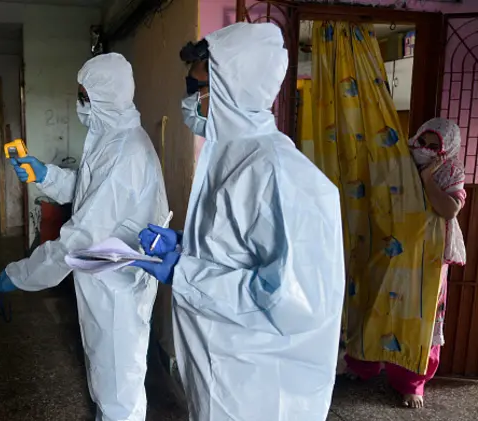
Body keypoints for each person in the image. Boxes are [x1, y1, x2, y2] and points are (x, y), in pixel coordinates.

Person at [132, 22, 346, 421]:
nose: (189, 99)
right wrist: (187, 244)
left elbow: (293, 303)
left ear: (230, 90)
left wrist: (186, 272)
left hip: (257, 385)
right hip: (219, 370)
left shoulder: (284, 176)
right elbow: (236, 247)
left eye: (196, 88)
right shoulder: (229, 157)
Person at [0, 53, 169, 421]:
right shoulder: (109, 138)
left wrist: (21, 275)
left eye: (84, 95)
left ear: (104, 96)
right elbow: (89, 191)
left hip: (117, 284)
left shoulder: (127, 151)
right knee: (107, 374)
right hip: (103, 279)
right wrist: (46, 175)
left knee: (119, 385)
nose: (80, 103)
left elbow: (79, 237)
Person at [344, 118, 466, 408]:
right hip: (390, 250)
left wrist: (426, 181)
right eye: (422, 141)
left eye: (435, 146)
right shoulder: (398, 162)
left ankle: (411, 382)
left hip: (428, 259)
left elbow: (449, 210)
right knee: (375, 304)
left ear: (446, 149)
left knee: (419, 316)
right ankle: (363, 366)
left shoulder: (451, 170)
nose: (425, 149)